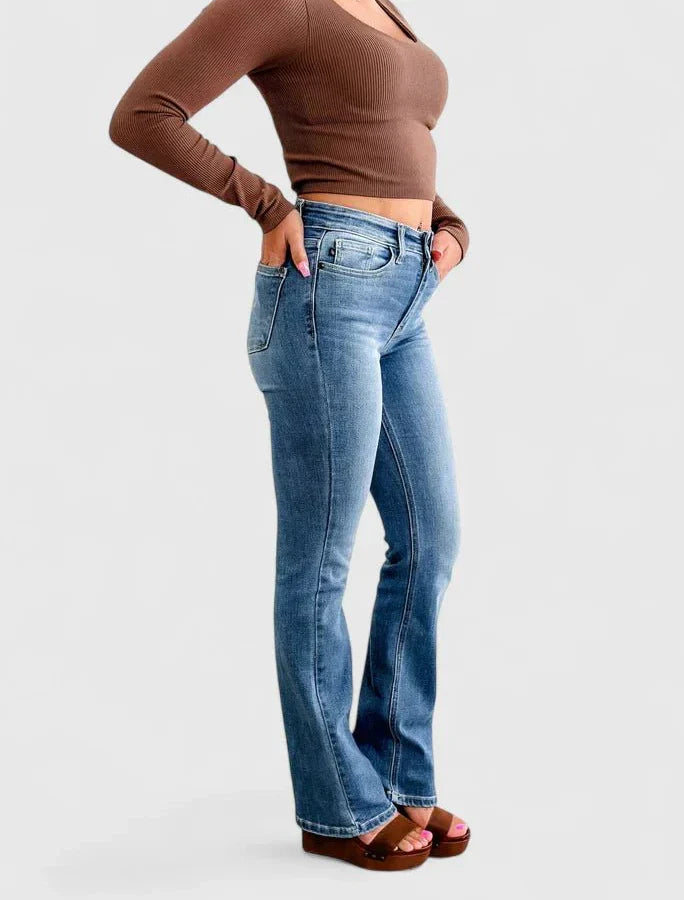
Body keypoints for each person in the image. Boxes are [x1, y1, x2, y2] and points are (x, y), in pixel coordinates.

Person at [109, 0, 470, 870]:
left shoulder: (384, 7)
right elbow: (142, 115)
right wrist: (267, 203)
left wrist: (448, 222)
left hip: (406, 288)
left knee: (431, 538)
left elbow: (381, 132)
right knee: (321, 559)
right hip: (325, 286)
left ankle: (396, 772)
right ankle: (337, 805)